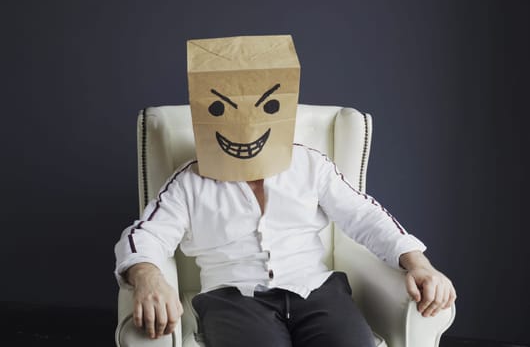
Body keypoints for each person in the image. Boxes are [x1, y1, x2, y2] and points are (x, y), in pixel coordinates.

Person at [114, 35, 457, 347]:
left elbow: (364, 216)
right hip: (232, 298)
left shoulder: (311, 164)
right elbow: (146, 236)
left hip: (317, 291)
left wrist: (419, 264)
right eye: (220, 109)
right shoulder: (189, 182)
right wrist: (148, 276)